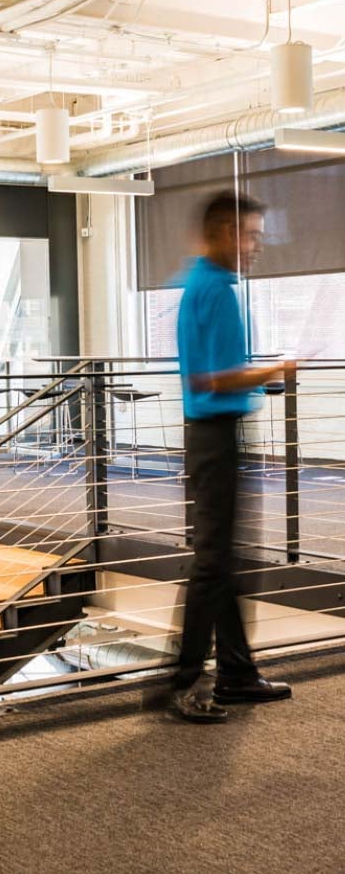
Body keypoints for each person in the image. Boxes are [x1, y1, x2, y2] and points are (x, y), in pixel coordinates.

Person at [171, 191, 292, 723]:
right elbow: (212, 377)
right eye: (250, 235)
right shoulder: (215, 290)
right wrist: (276, 368)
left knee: (229, 563)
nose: (256, 246)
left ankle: (238, 674)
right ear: (224, 232)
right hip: (213, 435)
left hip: (214, 434)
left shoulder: (208, 283)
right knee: (214, 565)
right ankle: (183, 683)